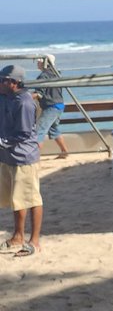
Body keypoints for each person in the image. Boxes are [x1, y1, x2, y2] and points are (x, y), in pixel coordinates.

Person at [0, 64, 43, 257]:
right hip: (7, 156)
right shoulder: (5, 97)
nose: (0, 83)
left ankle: (34, 241)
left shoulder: (24, 103)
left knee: (32, 198)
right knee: (16, 199)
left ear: (14, 83)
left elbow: (23, 134)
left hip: (23, 156)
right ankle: (18, 235)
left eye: (3, 80)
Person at [33, 55, 69, 159]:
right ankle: (64, 151)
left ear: (44, 63)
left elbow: (39, 93)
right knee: (54, 129)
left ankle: (34, 158)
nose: (37, 63)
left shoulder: (43, 76)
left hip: (51, 106)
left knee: (38, 131)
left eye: (39, 61)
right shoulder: (57, 73)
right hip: (60, 105)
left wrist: (25, 97)